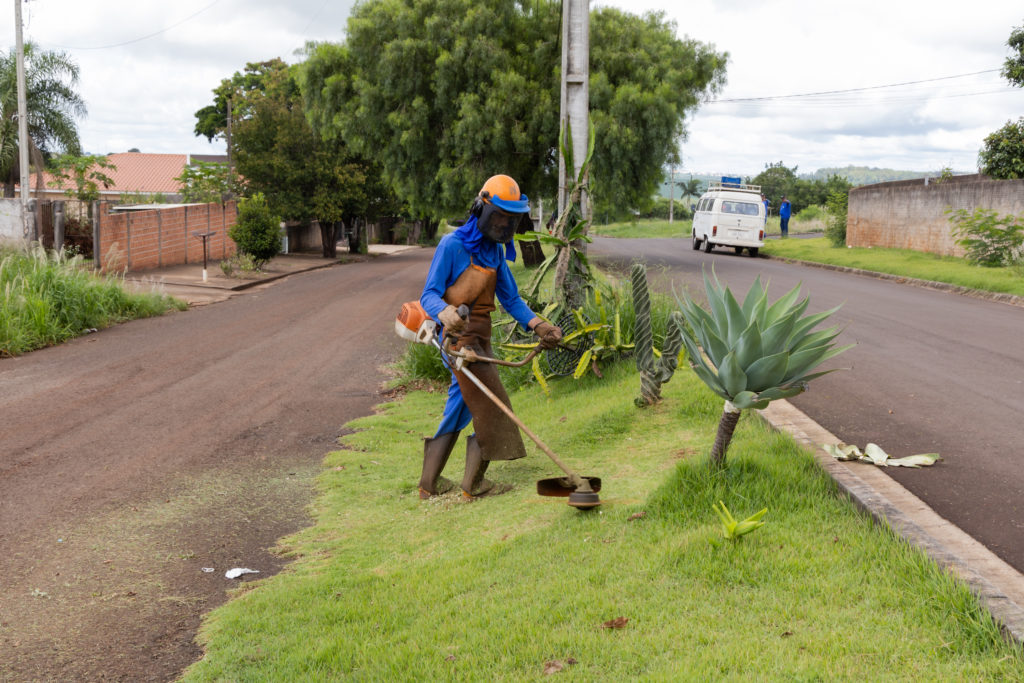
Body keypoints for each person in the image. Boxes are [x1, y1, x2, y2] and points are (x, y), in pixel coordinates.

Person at [418, 174, 562, 500]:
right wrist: (445, 313)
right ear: (481, 209)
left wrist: (538, 325)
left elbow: (511, 300)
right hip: (455, 339)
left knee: (462, 403)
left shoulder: (496, 253)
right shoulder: (452, 246)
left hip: (480, 339)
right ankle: (472, 484)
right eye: (499, 216)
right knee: (487, 399)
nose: (504, 225)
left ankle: (431, 482)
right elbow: (429, 294)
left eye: (511, 219)